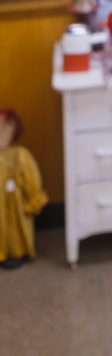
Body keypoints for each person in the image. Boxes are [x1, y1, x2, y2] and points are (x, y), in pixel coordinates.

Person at [0, 109, 48, 268]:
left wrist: (34, 200)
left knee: (14, 228)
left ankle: (16, 252)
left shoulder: (20, 155)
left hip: (14, 202)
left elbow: (31, 179)